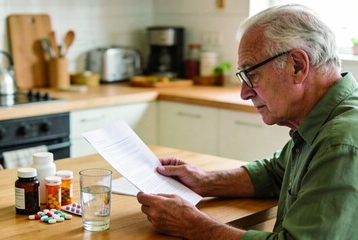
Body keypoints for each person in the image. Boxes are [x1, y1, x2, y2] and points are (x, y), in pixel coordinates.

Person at [137, 3, 358, 240]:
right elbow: (276, 173)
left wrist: (194, 225)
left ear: (298, 66)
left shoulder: (339, 143)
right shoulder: (325, 119)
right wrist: (204, 180)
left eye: (251, 75)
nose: (244, 93)